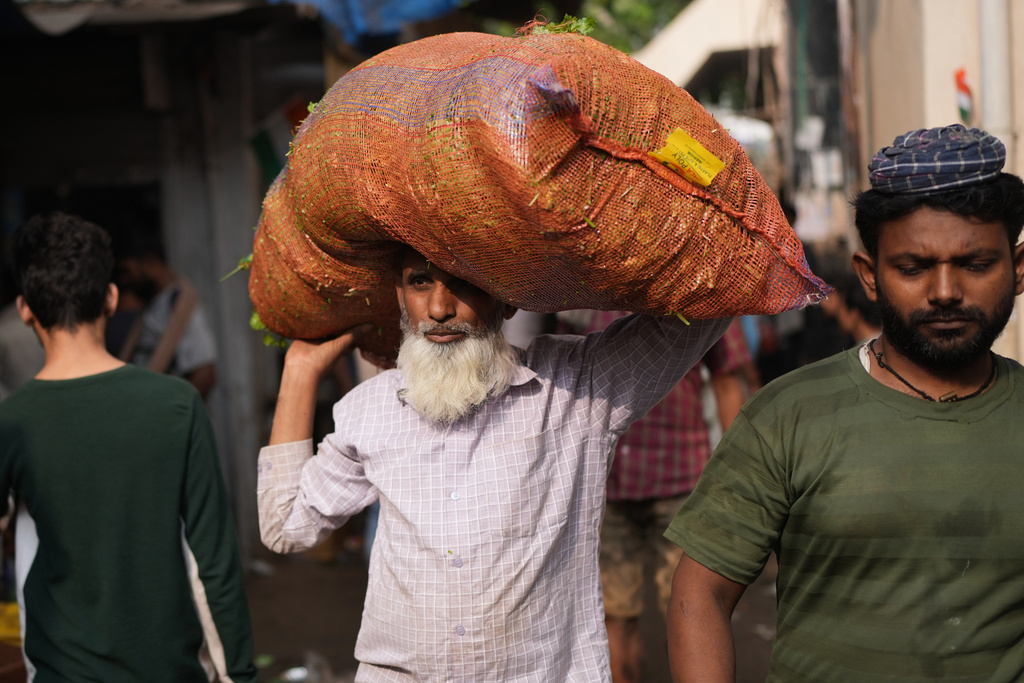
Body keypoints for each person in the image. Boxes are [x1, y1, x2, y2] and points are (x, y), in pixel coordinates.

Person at [257, 247, 731, 682]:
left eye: (465, 281)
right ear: (399, 297)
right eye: (420, 282)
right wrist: (301, 370)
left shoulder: (576, 389)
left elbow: (717, 296)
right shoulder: (369, 409)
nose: (440, 309)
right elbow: (286, 526)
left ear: (508, 300)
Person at [664, 123, 1024, 682]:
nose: (946, 291)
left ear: (1018, 269)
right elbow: (699, 596)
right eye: (914, 268)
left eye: (976, 264)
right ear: (870, 276)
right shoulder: (788, 414)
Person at [0, 212, 257, 682]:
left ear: (24, 308)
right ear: (112, 298)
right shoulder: (176, 405)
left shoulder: (11, 423)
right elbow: (213, 564)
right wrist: (239, 674)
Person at [559, 311, 751, 683]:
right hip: (608, 485)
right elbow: (568, 377)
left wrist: (737, 483)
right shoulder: (587, 292)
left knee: (692, 613)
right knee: (614, 616)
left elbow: (728, 379)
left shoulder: (697, 290)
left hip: (682, 480)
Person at [113, 234, 218, 399]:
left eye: (127, 271)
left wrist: (172, 415)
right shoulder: (153, 304)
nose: (125, 280)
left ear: (150, 262)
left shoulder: (180, 303)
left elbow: (204, 374)